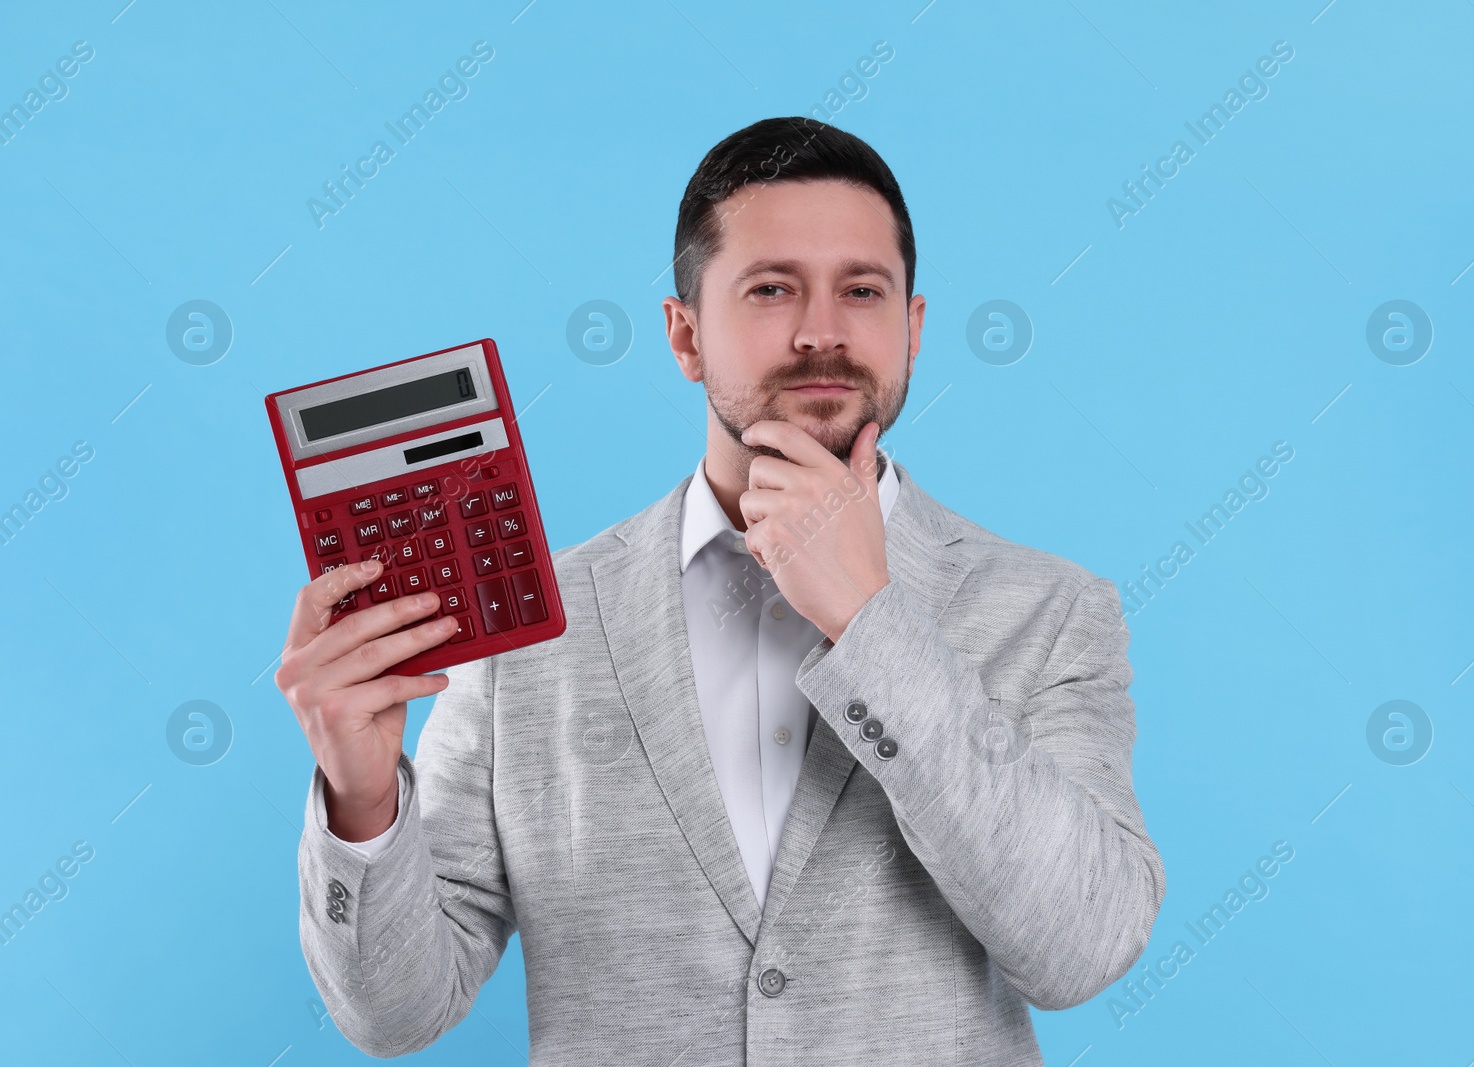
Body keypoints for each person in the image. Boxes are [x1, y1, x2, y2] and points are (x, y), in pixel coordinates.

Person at [275, 115, 1164, 1064]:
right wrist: (363, 801)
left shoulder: (1052, 610)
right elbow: (399, 1011)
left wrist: (870, 621)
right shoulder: (533, 632)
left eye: (862, 290)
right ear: (686, 335)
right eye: (772, 288)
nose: (822, 332)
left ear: (911, 329)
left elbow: (1083, 946)